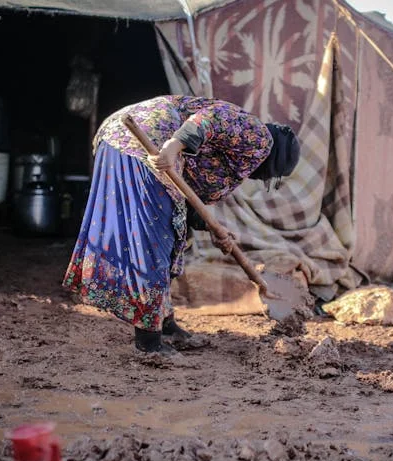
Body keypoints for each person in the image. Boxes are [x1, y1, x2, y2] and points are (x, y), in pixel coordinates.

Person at [62, 96, 301, 355]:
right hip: (144, 138)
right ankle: (149, 342)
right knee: (154, 242)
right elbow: (213, 117)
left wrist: (215, 230)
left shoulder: (234, 160)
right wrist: (174, 146)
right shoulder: (260, 138)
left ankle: (165, 324)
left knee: (173, 237)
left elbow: (189, 203)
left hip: (117, 138)